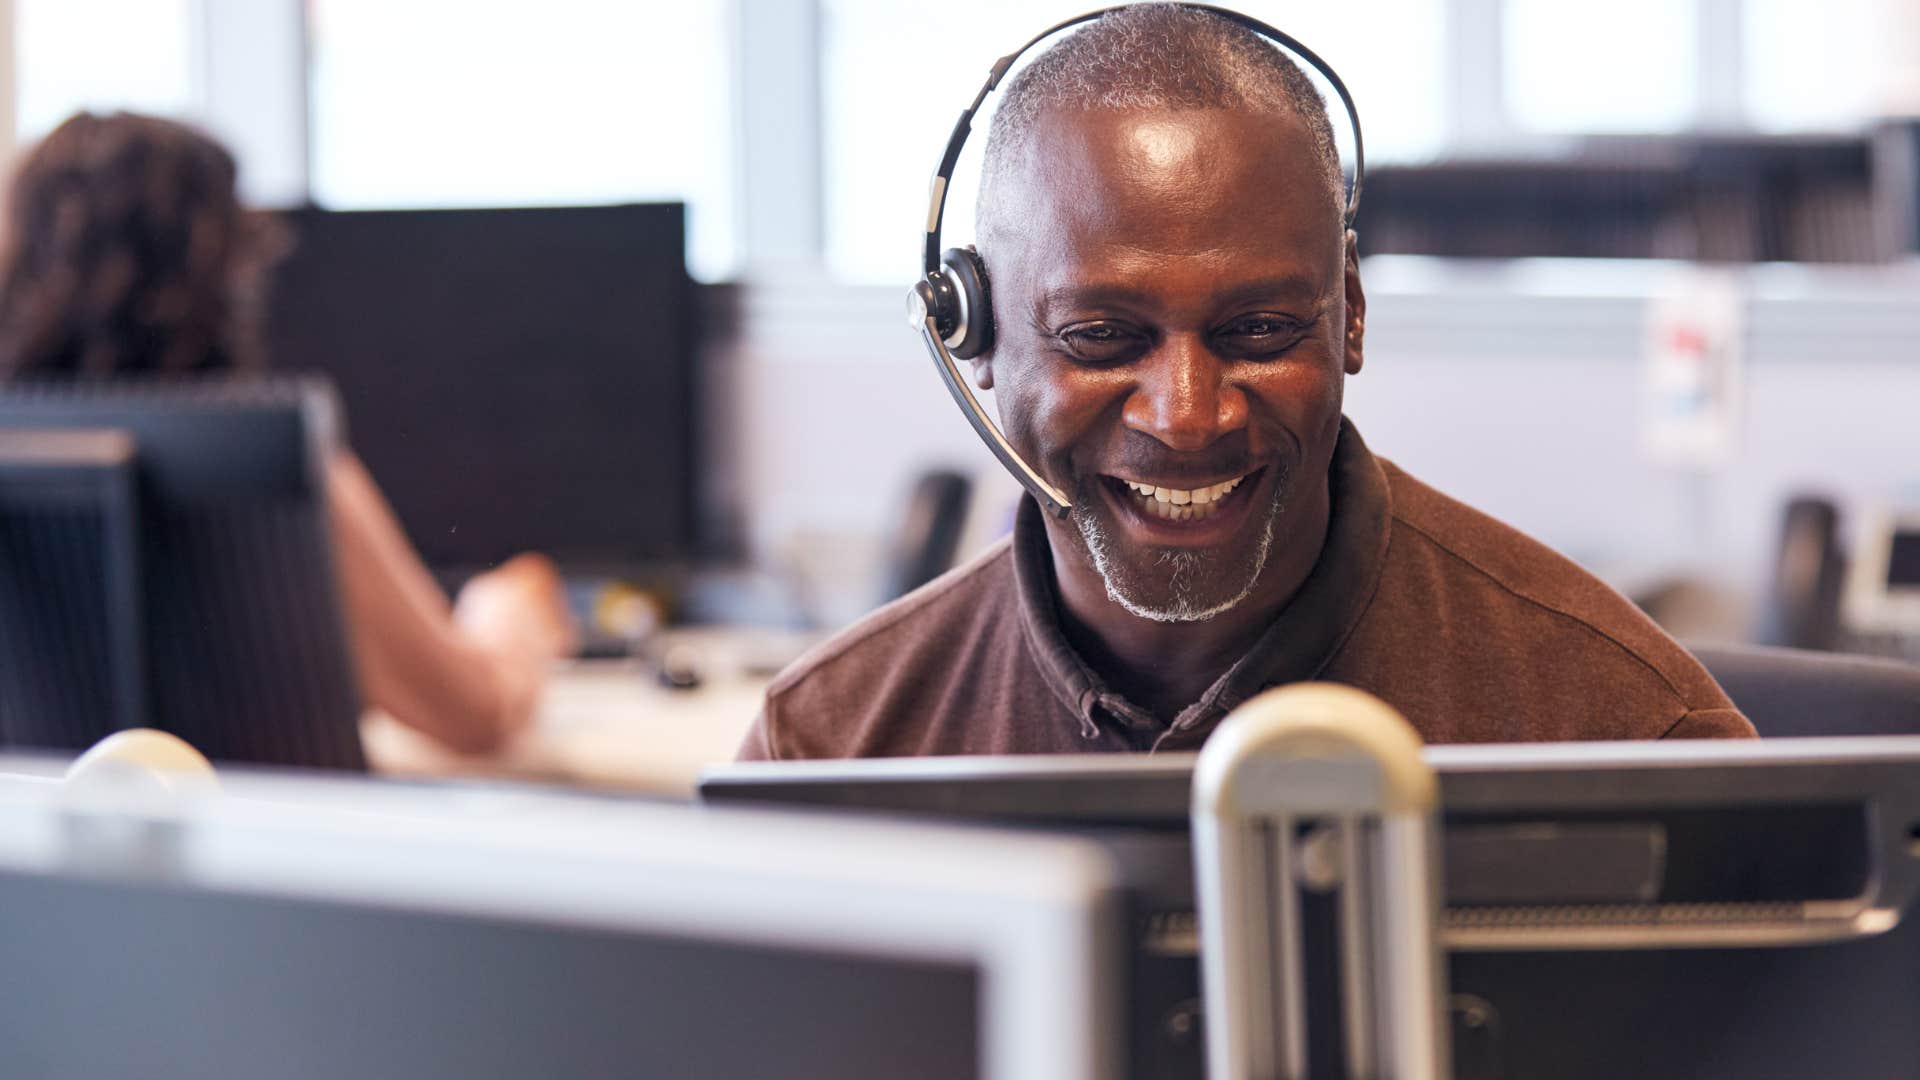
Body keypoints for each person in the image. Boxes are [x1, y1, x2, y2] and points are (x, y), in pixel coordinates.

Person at [739, 5, 1754, 761]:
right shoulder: (833, 745)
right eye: (1101, 337)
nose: (1187, 416)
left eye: (1260, 330)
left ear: (1350, 315)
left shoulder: (1625, 729)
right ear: (976, 331)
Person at [0, 110, 573, 755]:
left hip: (42, 855)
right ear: (220, 270)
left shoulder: (16, 459)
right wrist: (509, 610)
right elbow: (475, 715)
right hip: (276, 855)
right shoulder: (272, 467)